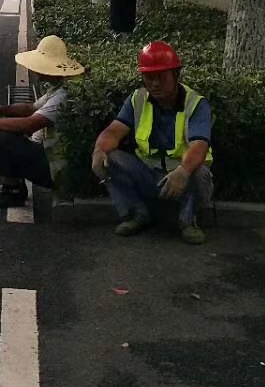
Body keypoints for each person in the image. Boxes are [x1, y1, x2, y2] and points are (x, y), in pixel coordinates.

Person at [91, 40, 212, 245]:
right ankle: (138, 214)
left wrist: (182, 172)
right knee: (111, 158)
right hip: (148, 174)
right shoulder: (137, 100)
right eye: (149, 77)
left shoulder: (196, 104)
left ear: (175, 75)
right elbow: (114, 131)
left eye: (160, 77)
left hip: (183, 178)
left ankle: (188, 220)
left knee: (199, 171)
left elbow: (199, 145)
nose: (154, 84)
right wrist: (99, 150)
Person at [0, 35, 85, 208]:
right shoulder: (59, 87)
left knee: (4, 137)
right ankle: (12, 185)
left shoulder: (63, 96)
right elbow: (32, 108)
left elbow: (30, 123)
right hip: (50, 157)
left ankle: (13, 192)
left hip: (57, 169)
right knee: (3, 128)